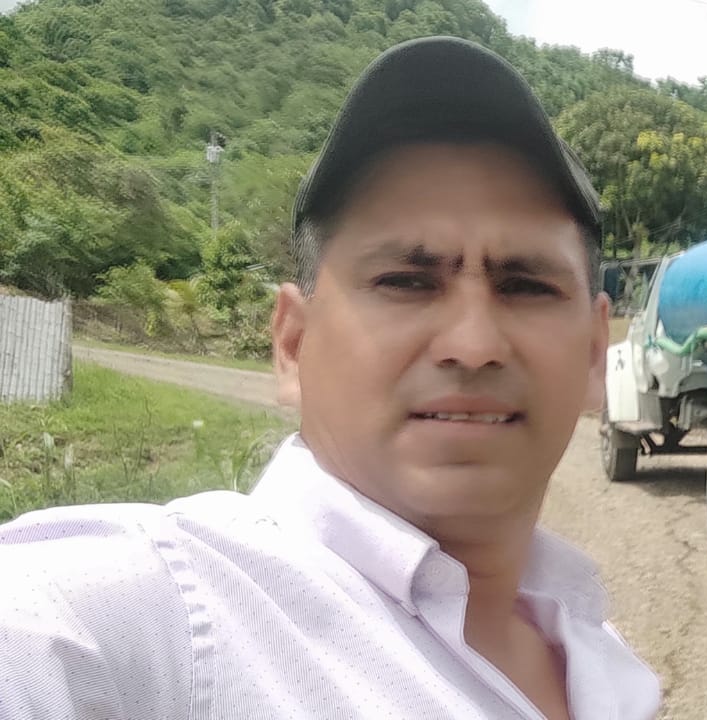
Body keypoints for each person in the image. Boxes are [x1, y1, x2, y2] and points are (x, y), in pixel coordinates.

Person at [0, 37, 661, 719]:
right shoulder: (155, 615)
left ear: (593, 355)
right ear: (293, 345)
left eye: (525, 286)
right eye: (405, 281)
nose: (473, 345)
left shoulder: (604, 663)